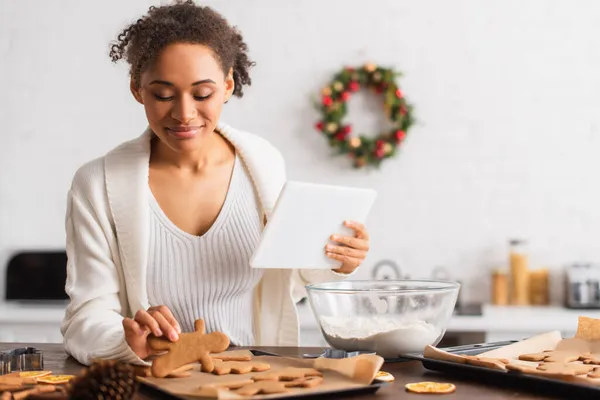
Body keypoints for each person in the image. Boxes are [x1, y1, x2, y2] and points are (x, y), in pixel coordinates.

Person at [61, 0, 371, 366]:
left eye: (202, 94)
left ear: (227, 85)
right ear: (137, 89)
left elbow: (286, 282)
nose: (184, 113)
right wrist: (128, 340)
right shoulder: (96, 185)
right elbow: (85, 317)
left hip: (253, 379)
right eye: (162, 94)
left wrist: (337, 261)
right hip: (155, 383)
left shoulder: (263, 163)